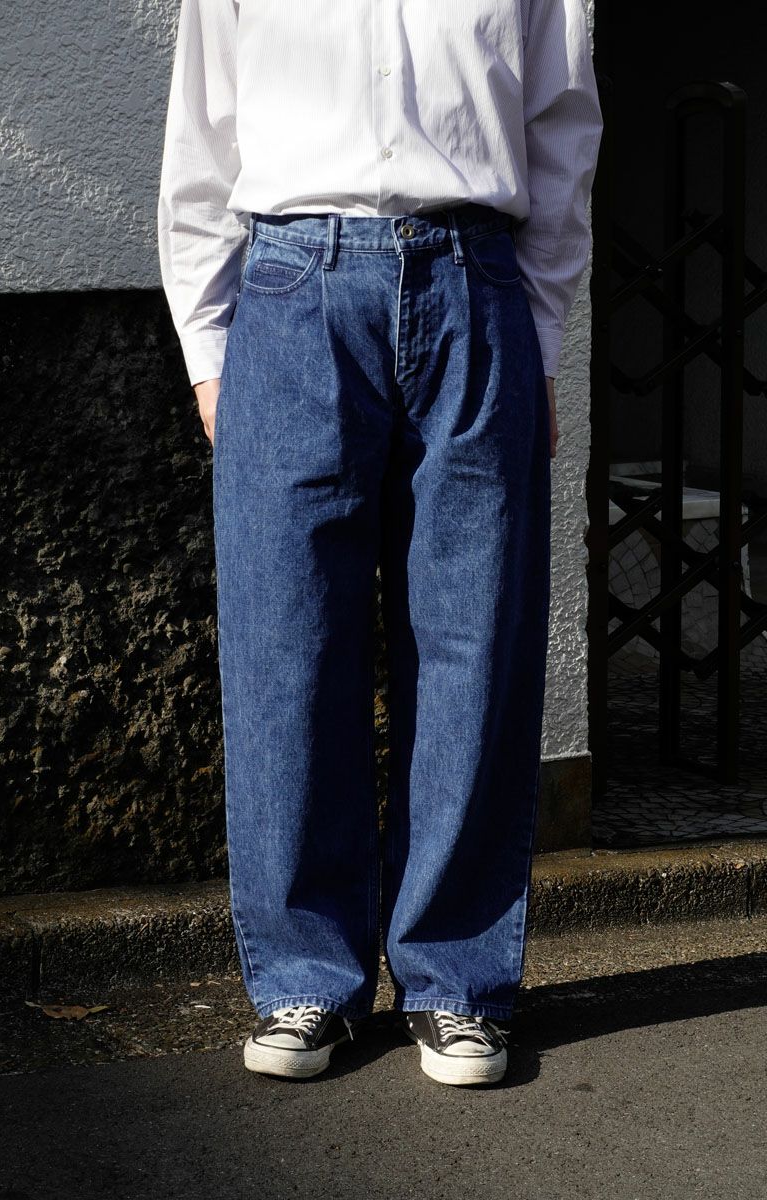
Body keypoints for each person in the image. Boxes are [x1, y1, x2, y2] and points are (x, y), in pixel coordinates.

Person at [158, 0, 603, 1088]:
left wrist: (541, 334)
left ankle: (456, 981)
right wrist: (209, 353)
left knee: (471, 643)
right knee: (286, 641)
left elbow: (560, 126)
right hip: (290, 289)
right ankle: (305, 975)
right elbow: (202, 138)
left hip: (474, 284)